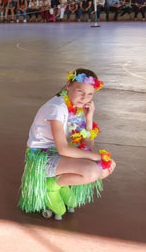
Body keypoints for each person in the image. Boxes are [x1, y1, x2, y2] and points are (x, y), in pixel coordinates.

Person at [18, 69, 114, 220]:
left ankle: (58, 184)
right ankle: (53, 186)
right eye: (80, 91)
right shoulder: (56, 109)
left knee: (107, 167)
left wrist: (89, 119)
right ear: (68, 85)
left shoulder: (78, 108)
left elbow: (87, 145)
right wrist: (96, 156)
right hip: (42, 156)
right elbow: (63, 148)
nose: (84, 98)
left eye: (90, 94)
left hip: (59, 154)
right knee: (92, 172)